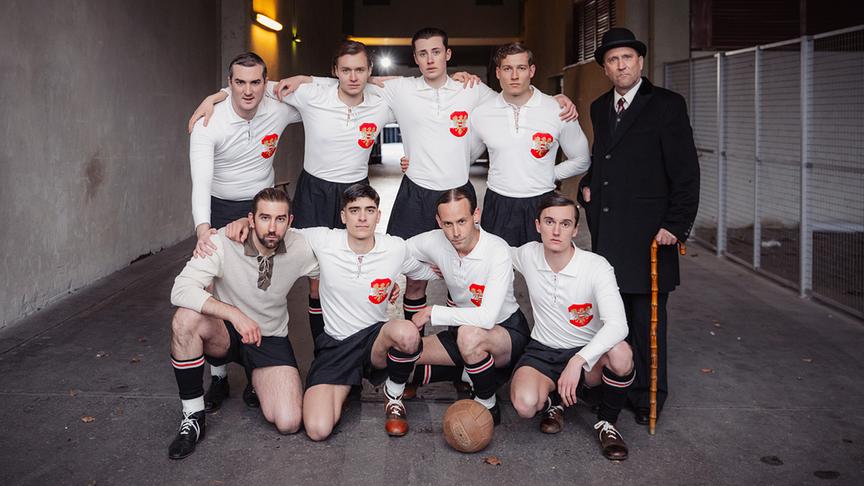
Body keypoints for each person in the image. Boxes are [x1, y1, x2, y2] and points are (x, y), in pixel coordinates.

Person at [191, 40, 396, 346]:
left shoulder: (383, 99)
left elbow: (420, 92)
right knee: (302, 276)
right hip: (312, 190)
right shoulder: (309, 95)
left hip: (355, 189)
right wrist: (216, 95)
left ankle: (352, 348)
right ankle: (318, 349)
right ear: (334, 71)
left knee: (350, 270)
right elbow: (258, 86)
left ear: (369, 71)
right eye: (345, 70)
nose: (353, 77)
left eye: (360, 70)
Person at [225, 184, 439, 439]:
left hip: (375, 340)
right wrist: (244, 222)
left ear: (378, 216)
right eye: (355, 210)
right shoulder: (323, 239)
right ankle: (347, 385)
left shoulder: (395, 248)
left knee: (406, 333)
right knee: (317, 429)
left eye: (369, 210)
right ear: (343, 216)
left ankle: (394, 396)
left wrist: (453, 264)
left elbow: (426, 272)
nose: (362, 217)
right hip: (336, 345)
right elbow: (277, 228)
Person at [577, 28, 700, 426]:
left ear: (640, 62)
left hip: (650, 234)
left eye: (627, 58)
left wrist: (676, 225)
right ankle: (616, 388)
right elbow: (603, 161)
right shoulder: (599, 106)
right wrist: (586, 186)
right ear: (606, 69)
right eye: (612, 60)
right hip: (609, 233)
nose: (621, 65)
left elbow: (686, 173)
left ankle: (649, 397)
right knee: (612, 320)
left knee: (648, 324)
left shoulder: (666, 105)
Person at [188, 52, 302, 413]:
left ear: (266, 83)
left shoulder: (278, 107)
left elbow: (328, 100)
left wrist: (310, 81)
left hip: (262, 206)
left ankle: (258, 369)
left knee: (258, 283)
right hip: (221, 205)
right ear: (230, 82)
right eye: (239, 82)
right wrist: (204, 230)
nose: (248, 90)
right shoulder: (210, 120)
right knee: (213, 287)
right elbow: (200, 182)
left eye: (256, 82)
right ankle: (219, 374)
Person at [166, 188, 317, 460]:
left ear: (290, 221)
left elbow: (340, 265)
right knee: (185, 318)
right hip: (227, 333)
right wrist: (234, 314)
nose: (272, 227)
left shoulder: (301, 247)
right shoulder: (222, 241)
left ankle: (255, 380)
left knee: (289, 421)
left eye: (280, 219)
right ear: (251, 219)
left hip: (269, 338)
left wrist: (385, 285)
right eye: (264, 218)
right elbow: (180, 290)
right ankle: (193, 416)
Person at [509, 193, 634, 461]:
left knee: (621, 354)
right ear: (537, 225)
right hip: (543, 349)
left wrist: (578, 361)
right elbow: (489, 252)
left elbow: (618, 325)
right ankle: (554, 401)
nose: (556, 231)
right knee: (524, 405)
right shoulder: (527, 255)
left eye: (565, 224)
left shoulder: (596, 266)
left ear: (575, 229)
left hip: (587, 353)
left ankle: (607, 424)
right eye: (550, 221)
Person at [407, 187, 531, 424]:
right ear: (438, 222)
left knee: (469, 337)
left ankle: (487, 403)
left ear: (476, 215)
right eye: (448, 224)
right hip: (463, 330)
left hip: (504, 331)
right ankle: (472, 372)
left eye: (462, 221)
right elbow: (397, 251)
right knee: (401, 358)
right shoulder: (435, 241)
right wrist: (423, 272)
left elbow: (486, 318)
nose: (455, 232)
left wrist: (433, 311)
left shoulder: (497, 249)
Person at [468, 43, 590, 246]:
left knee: (543, 272)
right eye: (507, 69)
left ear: (531, 71)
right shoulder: (482, 113)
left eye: (521, 68)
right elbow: (464, 157)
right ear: (498, 73)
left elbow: (582, 159)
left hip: (542, 202)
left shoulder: (557, 109)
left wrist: (551, 174)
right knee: (498, 272)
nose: (514, 76)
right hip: (498, 203)